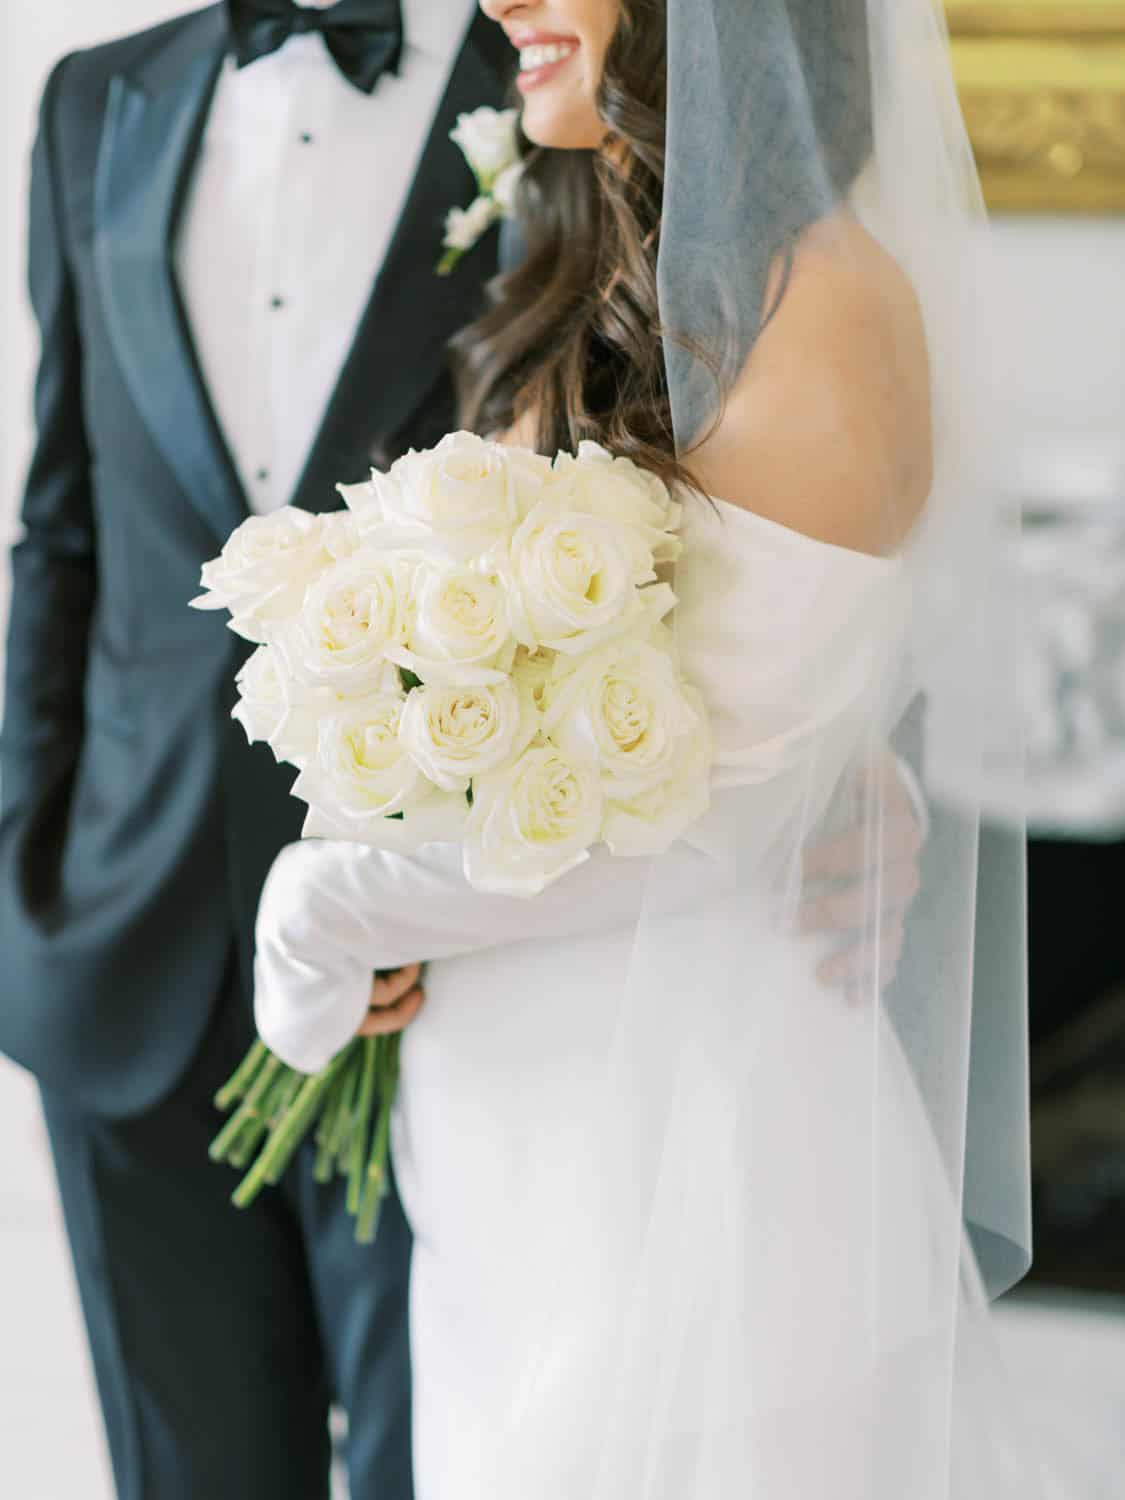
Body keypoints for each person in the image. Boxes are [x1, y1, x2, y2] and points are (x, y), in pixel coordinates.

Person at [252, 1, 1036, 1497]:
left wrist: (321, 912)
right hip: (527, 1161)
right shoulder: (592, 266)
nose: (497, 1)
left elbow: (713, 817)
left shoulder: (829, 303)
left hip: (697, 1149)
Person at [0, 3, 512, 1496]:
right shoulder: (100, 98)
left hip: (432, 957)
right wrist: (26, 862)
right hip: (121, 940)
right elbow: (62, 519)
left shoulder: (548, 86)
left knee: (445, 1457)